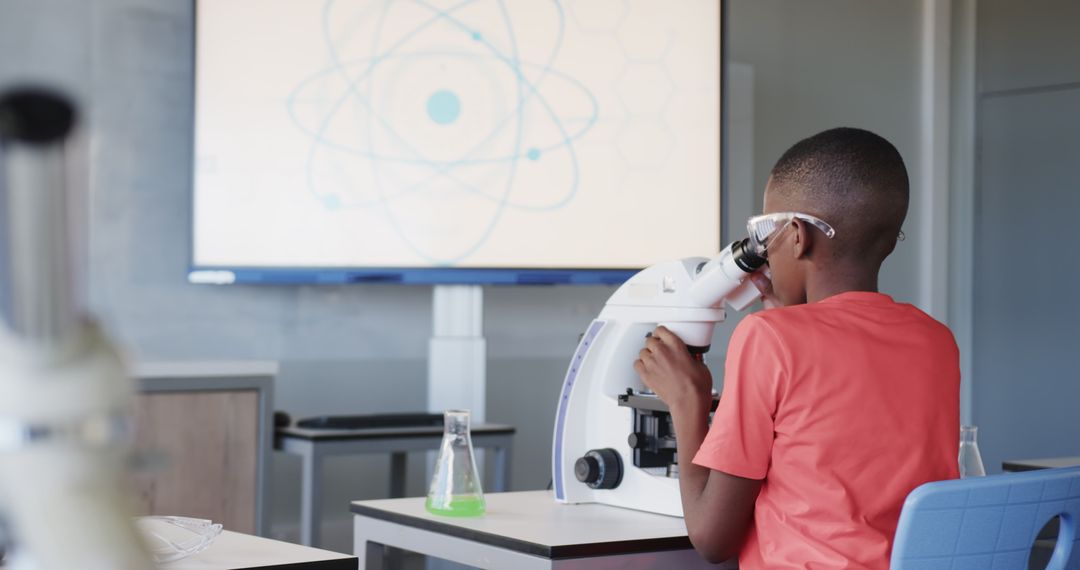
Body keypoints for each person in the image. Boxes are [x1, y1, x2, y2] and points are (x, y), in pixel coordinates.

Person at [634, 127, 960, 568]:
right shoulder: (935, 339)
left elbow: (712, 539)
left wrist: (686, 401)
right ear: (887, 242)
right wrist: (787, 316)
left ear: (796, 235)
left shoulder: (769, 338)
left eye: (764, 231)